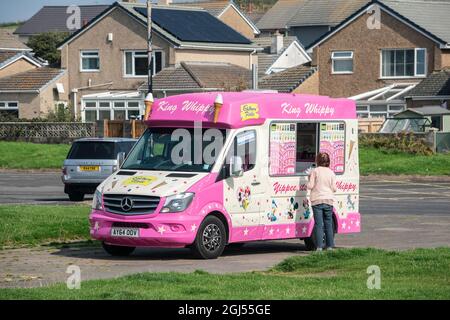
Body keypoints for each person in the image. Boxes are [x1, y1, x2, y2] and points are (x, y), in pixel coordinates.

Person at [306, 152, 337, 251]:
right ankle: (330, 246)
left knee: (319, 224)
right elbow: (334, 188)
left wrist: (308, 178)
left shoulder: (315, 171)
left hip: (317, 200)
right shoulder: (331, 172)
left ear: (317, 161)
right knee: (328, 223)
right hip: (329, 200)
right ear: (328, 161)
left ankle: (319, 247)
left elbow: (310, 186)